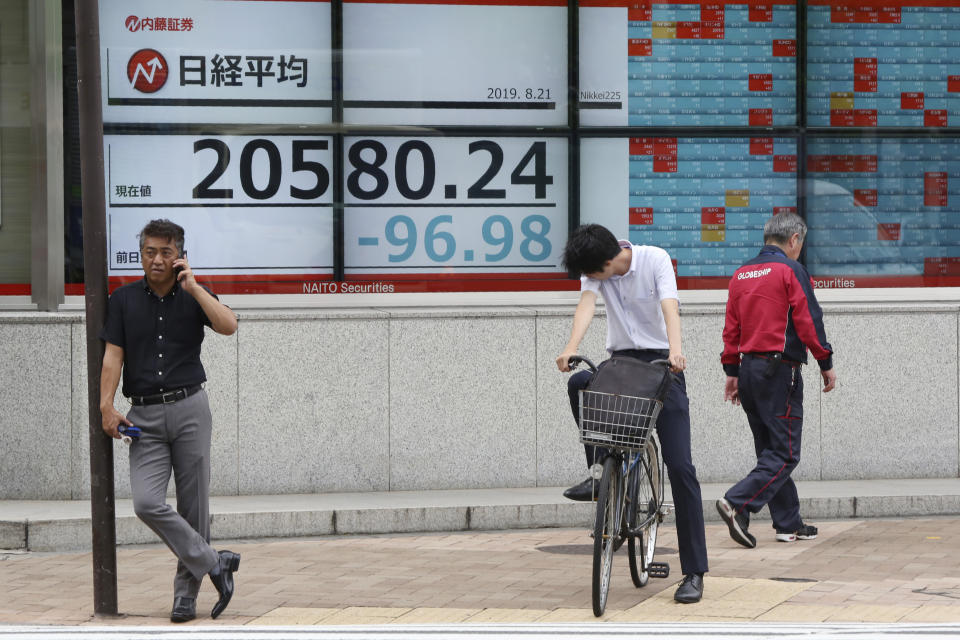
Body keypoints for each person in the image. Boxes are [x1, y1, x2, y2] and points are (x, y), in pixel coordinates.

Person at [556, 224, 708, 604]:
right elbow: (586, 305)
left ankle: (694, 572)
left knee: (681, 467)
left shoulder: (654, 259)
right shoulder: (595, 272)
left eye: (592, 274)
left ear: (609, 262)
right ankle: (598, 473)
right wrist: (571, 346)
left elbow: (669, 306)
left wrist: (676, 350)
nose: (589, 280)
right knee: (579, 384)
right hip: (621, 365)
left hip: (663, 367)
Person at [99, 219, 241, 623]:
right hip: (143, 414)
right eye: (149, 252)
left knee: (194, 506)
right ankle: (215, 562)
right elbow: (113, 355)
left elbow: (229, 326)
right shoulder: (123, 299)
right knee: (146, 502)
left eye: (165, 252)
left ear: (179, 254)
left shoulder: (193, 293)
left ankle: (185, 597)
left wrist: (194, 288)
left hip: (190, 408)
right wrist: (106, 406)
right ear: (140, 254)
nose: (156, 259)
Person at [716, 212, 837, 549]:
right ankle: (736, 502)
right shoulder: (790, 270)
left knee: (770, 451)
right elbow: (808, 320)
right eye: (801, 244)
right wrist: (824, 361)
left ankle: (788, 523)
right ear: (794, 239)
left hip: (749, 371)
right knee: (784, 454)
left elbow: (731, 329)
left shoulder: (741, 273)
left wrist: (731, 372)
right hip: (779, 371)